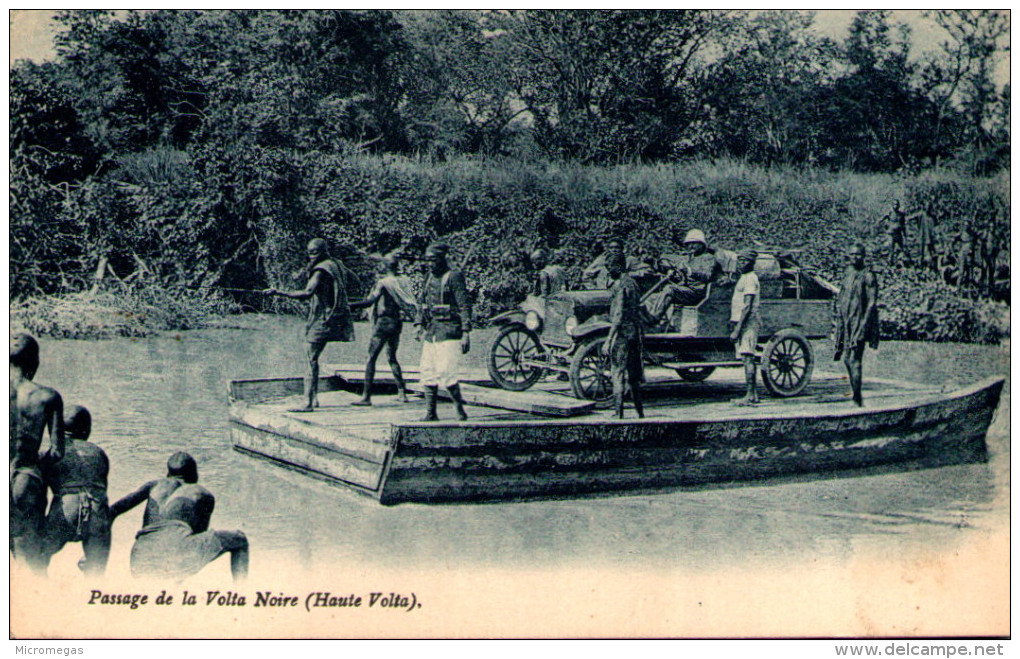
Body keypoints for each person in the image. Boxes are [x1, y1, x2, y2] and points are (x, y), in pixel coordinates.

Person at [111, 452, 248, 582]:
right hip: (174, 558)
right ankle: (241, 594)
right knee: (239, 539)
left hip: (139, 560)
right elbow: (197, 538)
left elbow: (113, 510)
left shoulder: (153, 486)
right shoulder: (202, 493)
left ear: (167, 474)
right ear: (195, 475)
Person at [265, 238, 356, 412]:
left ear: (323, 251)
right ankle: (314, 400)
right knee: (313, 358)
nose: (311, 256)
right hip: (335, 317)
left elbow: (307, 293)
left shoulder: (321, 270)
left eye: (314, 252)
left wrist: (278, 292)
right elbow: (355, 279)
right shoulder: (337, 264)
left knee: (310, 359)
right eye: (309, 252)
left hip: (324, 319)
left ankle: (307, 403)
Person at [10, 333, 65, 573]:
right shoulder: (48, 397)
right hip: (25, 478)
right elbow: (57, 451)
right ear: (36, 363)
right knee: (29, 562)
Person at [39, 405, 111, 577]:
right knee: (96, 572)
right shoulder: (99, 453)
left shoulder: (51, 453)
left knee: (38, 558)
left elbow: (39, 496)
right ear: (87, 430)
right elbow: (103, 488)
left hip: (66, 509)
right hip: (97, 511)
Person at [348, 252, 417, 406]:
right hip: (396, 323)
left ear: (385, 266)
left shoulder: (384, 283)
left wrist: (350, 305)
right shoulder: (402, 282)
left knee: (371, 358)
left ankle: (366, 397)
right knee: (392, 357)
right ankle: (402, 393)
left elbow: (369, 302)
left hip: (383, 324)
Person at [416, 243, 473, 421]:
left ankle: (459, 408)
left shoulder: (454, 277)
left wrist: (466, 332)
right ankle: (431, 413)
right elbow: (421, 302)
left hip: (449, 331)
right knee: (427, 371)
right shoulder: (428, 278)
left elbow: (464, 305)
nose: (430, 264)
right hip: (431, 331)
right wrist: (419, 324)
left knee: (446, 372)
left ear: (442, 259)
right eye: (427, 261)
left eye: (433, 260)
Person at [833, 243, 879, 407]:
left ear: (864, 256)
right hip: (847, 321)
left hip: (860, 320)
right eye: (852, 254)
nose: (854, 257)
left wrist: (863, 326)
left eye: (858, 255)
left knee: (855, 359)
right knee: (846, 358)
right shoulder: (848, 272)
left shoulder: (868, 276)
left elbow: (872, 302)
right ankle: (855, 392)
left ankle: (857, 397)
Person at [604, 252, 645, 419]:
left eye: (609, 267)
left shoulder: (620, 285)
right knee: (634, 376)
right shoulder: (634, 283)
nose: (608, 271)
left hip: (622, 333)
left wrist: (608, 339)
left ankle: (618, 413)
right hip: (635, 333)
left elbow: (619, 314)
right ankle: (640, 413)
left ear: (618, 267)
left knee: (618, 372)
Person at [729, 251, 761, 406]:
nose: (741, 263)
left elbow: (747, 306)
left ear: (751, 262)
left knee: (748, 357)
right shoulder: (744, 277)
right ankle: (753, 395)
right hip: (742, 321)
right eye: (739, 260)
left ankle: (749, 395)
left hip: (748, 322)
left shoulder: (750, 279)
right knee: (746, 358)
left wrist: (737, 329)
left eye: (745, 261)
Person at [884, 200, 911, 266]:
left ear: (899, 206)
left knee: (902, 248)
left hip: (899, 234)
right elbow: (883, 220)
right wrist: (886, 226)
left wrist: (905, 235)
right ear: (892, 205)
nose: (895, 206)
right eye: (894, 204)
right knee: (891, 249)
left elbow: (903, 225)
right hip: (891, 234)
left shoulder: (901, 214)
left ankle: (903, 262)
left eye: (897, 205)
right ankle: (890, 262)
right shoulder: (889, 213)